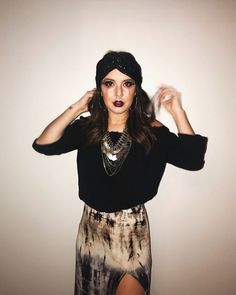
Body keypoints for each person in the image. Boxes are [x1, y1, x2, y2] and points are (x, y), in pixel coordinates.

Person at [32, 51, 208, 295]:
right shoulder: (88, 128)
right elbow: (44, 144)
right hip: (91, 231)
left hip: (132, 234)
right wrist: (77, 107)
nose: (118, 93)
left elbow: (192, 160)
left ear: (136, 90)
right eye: (109, 84)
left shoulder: (150, 130)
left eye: (127, 84)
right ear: (99, 89)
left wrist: (178, 112)